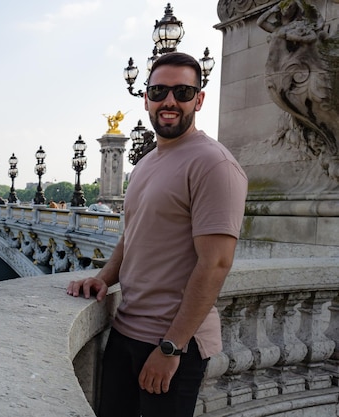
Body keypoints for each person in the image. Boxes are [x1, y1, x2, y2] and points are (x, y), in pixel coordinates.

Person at [66, 52, 247, 417]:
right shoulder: (147, 162)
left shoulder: (214, 163)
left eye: (182, 92)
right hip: (125, 330)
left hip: (173, 344)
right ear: (146, 98)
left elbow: (216, 263)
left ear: (199, 99)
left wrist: (171, 348)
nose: (169, 101)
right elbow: (132, 235)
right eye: (159, 91)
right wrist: (104, 277)